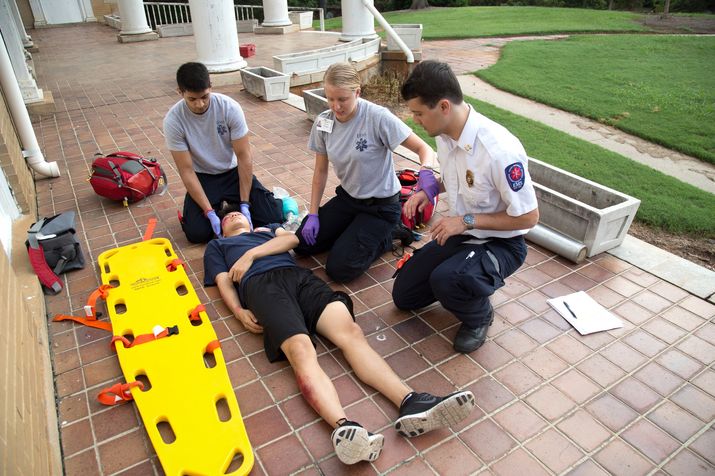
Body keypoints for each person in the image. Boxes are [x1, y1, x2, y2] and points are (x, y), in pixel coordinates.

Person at [203, 207, 476, 465]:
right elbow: (224, 280)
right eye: (227, 217)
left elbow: (290, 241)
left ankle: (411, 401)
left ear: (251, 221)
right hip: (261, 287)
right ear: (220, 230)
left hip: (300, 279)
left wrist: (250, 255)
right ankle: (344, 429)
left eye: (238, 211)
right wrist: (239, 311)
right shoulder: (218, 246)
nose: (233, 215)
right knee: (300, 350)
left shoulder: (269, 229)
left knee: (351, 333)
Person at [393, 60, 539, 354]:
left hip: (502, 244)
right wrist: (430, 188)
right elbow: (459, 178)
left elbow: (528, 217)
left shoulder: (499, 150)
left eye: (419, 113)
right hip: (464, 234)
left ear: (444, 106)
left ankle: (479, 314)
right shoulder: (446, 135)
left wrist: (466, 221)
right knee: (404, 295)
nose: (415, 120)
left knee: (447, 280)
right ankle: (462, 279)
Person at [295, 62, 436, 283]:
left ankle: (391, 233)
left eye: (342, 99)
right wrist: (313, 214)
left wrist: (426, 173)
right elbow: (320, 171)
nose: (336, 106)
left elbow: (424, 148)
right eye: (330, 98)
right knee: (302, 244)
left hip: (380, 206)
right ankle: (354, 233)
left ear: (357, 92)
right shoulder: (323, 121)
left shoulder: (378, 117)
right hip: (348, 199)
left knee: (340, 269)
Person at [163, 62, 283, 243]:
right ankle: (216, 208)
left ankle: (236, 205)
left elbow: (244, 157)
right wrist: (208, 212)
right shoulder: (173, 120)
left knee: (273, 216)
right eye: (192, 99)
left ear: (211, 86)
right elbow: (186, 171)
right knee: (196, 234)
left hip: (232, 172)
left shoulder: (229, 108)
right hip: (203, 177)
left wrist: (245, 203)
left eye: (204, 96)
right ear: (180, 93)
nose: (200, 104)